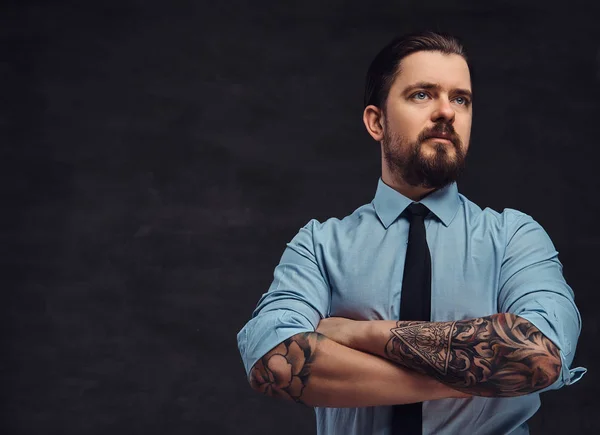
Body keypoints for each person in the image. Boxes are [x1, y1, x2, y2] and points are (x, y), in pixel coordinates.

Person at [236, 31, 587, 435]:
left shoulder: (514, 237)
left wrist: (353, 333)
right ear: (376, 121)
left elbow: (540, 355)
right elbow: (274, 361)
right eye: (422, 94)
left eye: (461, 99)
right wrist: (472, 378)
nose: (447, 112)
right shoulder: (318, 246)